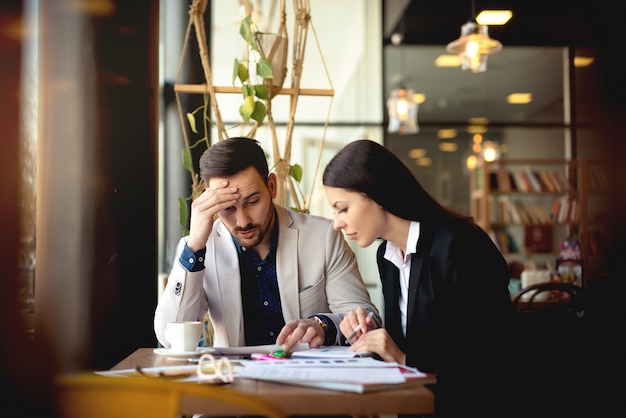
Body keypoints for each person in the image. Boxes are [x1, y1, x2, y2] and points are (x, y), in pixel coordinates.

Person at [322, 139, 516, 417]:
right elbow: (414, 348)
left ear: (375, 195)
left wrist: (401, 356)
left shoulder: (459, 244)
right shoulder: (387, 258)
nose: (337, 222)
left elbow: (492, 354)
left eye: (342, 208)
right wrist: (373, 340)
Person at [154, 137, 380, 352]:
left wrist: (322, 325)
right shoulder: (200, 249)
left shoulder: (323, 237)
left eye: (252, 202)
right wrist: (195, 246)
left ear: (272, 186)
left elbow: (367, 319)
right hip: (235, 384)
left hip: (309, 381)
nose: (243, 221)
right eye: (228, 208)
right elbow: (168, 336)